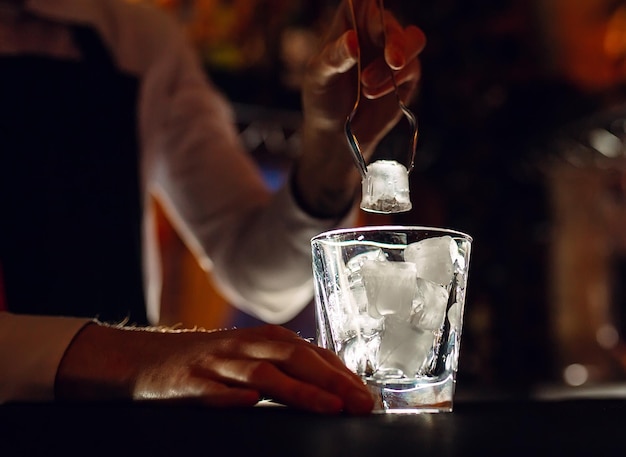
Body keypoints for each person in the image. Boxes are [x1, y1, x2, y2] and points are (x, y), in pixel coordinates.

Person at [0, 0, 425, 414]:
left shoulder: (136, 38)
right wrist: (135, 359)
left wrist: (332, 146)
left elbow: (259, 275)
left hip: (125, 434)